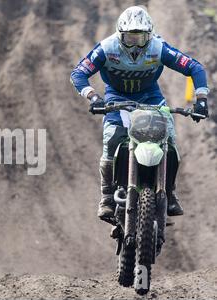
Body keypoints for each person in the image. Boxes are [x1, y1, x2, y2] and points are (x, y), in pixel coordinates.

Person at [70, 6, 209, 224]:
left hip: (151, 99)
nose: (135, 43)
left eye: (141, 37)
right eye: (130, 37)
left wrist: (201, 100)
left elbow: (194, 68)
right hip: (117, 99)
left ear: (150, 35)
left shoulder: (158, 47)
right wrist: (94, 97)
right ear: (119, 34)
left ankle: (169, 192)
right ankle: (106, 197)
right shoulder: (107, 48)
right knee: (112, 139)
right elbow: (79, 73)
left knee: (169, 140)